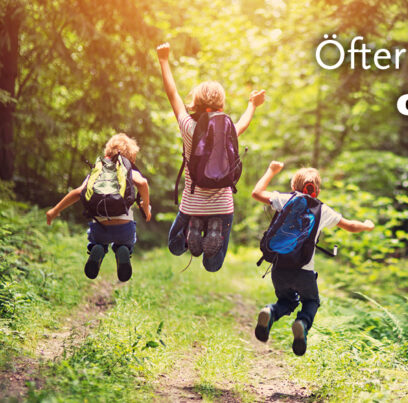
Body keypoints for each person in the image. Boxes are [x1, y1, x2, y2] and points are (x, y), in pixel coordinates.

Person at [156, 42, 265, 272]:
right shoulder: (228, 130)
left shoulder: (189, 127)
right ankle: (212, 225)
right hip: (223, 205)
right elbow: (243, 123)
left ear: (196, 102)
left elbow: (172, 93)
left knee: (175, 246)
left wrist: (164, 60)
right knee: (212, 265)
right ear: (221, 104)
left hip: (192, 203)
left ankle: (194, 225)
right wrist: (252, 105)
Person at [251, 161, 374, 355]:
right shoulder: (323, 210)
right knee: (311, 302)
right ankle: (302, 323)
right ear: (317, 190)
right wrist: (367, 225)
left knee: (287, 300)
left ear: (294, 186)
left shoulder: (285, 199)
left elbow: (256, 193)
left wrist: (271, 171)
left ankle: (270, 312)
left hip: (279, 268)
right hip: (305, 272)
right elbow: (350, 226)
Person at [46, 133, 151, 282]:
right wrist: (146, 207)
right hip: (124, 228)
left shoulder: (98, 170)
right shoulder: (127, 169)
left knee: (97, 241)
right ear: (131, 157)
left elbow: (78, 192)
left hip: (100, 228)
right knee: (126, 243)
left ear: (107, 152)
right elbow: (143, 183)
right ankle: (124, 250)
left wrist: (54, 210)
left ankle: (98, 248)